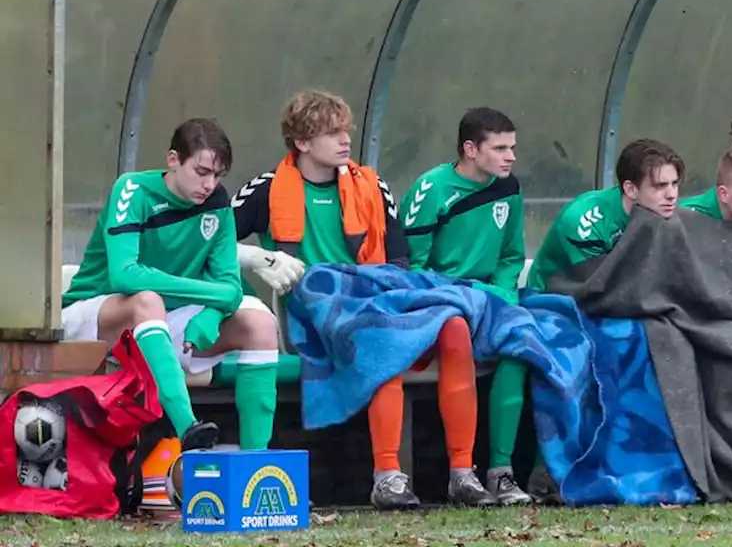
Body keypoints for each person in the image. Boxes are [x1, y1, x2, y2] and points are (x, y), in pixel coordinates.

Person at [230, 90, 491, 510]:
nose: (345, 141)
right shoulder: (265, 189)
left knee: (455, 324)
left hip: (373, 297)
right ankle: (387, 477)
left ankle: (463, 472)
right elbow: (213, 241)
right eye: (332, 133)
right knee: (382, 339)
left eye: (345, 131)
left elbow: (399, 259)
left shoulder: (371, 185)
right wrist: (260, 260)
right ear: (301, 142)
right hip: (315, 312)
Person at [61, 118, 279, 454]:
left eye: (218, 175)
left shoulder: (217, 205)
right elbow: (125, 276)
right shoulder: (133, 190)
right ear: (173, 160)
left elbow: (231, 287)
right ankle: (188, 428)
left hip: (158, 323)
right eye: (201, 171)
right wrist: (215, 296)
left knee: (260, 323)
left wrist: (211, 314)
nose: (209, 184)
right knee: (145, 300)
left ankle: (256, 463)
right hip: (94, 318)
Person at [399, 107, 535, 506]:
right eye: (500, 148)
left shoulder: (508, 188)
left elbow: (512, 256)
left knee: (519, 346)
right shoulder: (432, 190)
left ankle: (501, 473)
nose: (511, 157)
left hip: (490, 302)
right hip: (438, 304)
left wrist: (503, 295)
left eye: (512, 147)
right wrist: (461, 293)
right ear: (471, 149)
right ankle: (461, 471)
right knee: (461, 329)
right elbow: (413, 268)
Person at [526, 138, 683, 293]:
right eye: (660, 186)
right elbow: (597, 290)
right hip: (553, 302)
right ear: (631, 190)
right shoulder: (585, 222)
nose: (671, 195)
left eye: (674, 184)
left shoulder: (666, 211)